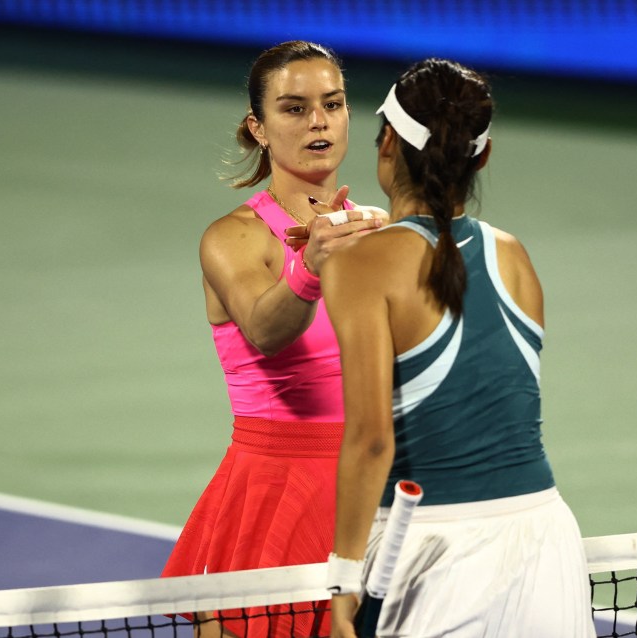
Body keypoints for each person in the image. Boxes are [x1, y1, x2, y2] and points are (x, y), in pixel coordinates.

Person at [322, 58, 596, 637]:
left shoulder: (361, 265)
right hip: (545, 540)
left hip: (434, 553)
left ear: (388, 142)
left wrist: (344, 578)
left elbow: (372, 440)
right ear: (482, 156)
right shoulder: (514, 255)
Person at [160, 41, 383, 638]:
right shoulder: (231, 238)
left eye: (332, 104)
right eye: (294, 108)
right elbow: (265, 331)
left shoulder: (378, 233)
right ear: (258, 128)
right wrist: (308, 267)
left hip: (370, 483)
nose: (318, 120)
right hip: (274, 492)